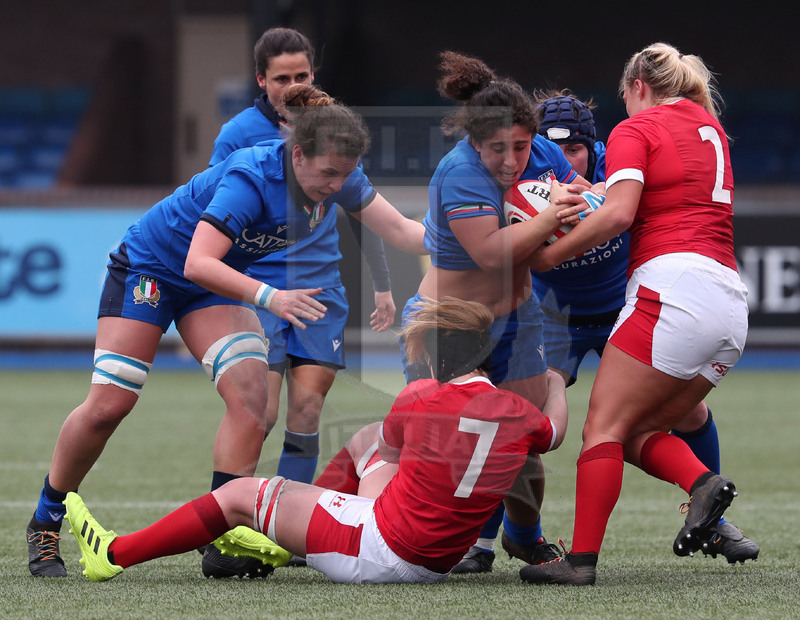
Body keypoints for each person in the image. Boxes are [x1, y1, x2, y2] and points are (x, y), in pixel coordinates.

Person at [26, 84, 427, 578]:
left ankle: (219, 534)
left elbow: (407, 233)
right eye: (329, 174)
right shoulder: (251, 176)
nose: (337, 185)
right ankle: (46, 520)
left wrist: (480, 230)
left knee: (255, 403)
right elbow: (196, 261)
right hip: (152, 269)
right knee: (110, 405)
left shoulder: (338, 171)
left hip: (212, 282)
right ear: (298, 155)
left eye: (345, 175)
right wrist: (271, 298)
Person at [63, 296, 570, 584]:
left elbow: (407, 441)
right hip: (436, 558)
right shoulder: (522, 416)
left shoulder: (421, 395)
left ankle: (114, 554)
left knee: (240, 495)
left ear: (439, 358)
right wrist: (552, 383)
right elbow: (554, 432)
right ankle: (302, 541)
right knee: (367, 439)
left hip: (384, 550)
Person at [520, 42, 752, 586]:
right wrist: (597, 190)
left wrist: (547, 252)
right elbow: (651, 196)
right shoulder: (707, 126)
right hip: (728, 302)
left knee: (601, 428)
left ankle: (579, 563)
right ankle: (701, 486)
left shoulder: (635, 128)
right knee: (638, 429)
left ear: (637, 87)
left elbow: (622, 214)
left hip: (672, 289)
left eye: (624, 95)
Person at [206, 27, 397, 574]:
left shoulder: (332, 128)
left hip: (319, 296)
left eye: (302, 76)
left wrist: (382, 283)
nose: (292, 86)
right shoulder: (238, 136)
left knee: (308, 410)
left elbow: (365, 211)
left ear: (313, 74)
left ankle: (286, 527)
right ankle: (228, 525)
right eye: (281, 78)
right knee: (256, 413)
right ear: (261, 80)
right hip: (260, 292)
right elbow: (215, 213)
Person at [401, 51, 592, 575]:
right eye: (496, 149)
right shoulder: (458, 173)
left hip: (518, 315)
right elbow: (491, 252)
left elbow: (572, 195)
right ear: (474, 143)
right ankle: (448, 539)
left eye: (521, 146)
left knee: (525, 437)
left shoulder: (545, 155)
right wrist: (555, 214)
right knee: (448, 444)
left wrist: (580, 200)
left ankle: (524, 538)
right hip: (449, 321)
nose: (511, 160)